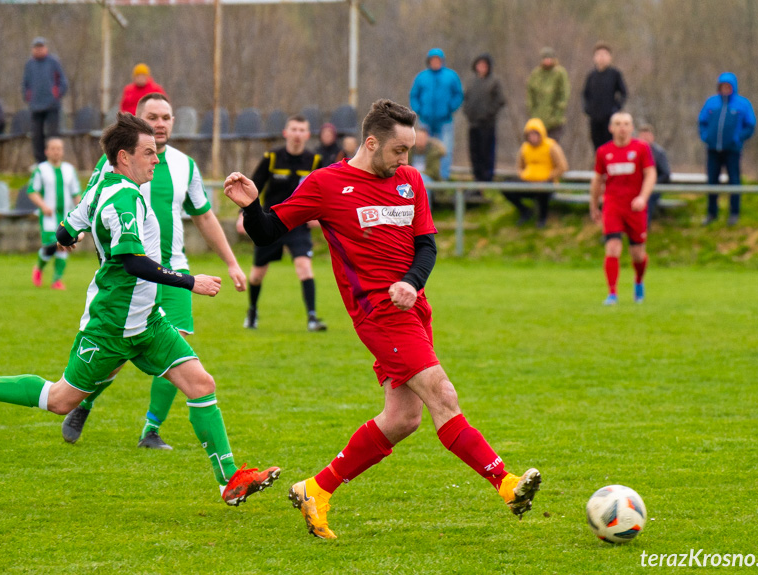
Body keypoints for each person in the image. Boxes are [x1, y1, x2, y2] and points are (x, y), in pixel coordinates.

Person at [224, 99, 541, 540]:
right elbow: (266, 232)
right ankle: (506, 484)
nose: (406, 160)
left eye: (410, 150)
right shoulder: (326, 184)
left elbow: (427, 246)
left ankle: (317, 487)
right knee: (442, 394)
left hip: (414, 310)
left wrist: (412, 282)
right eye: (398, 150)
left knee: (402, 417)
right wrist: (252, 206)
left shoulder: (410, 181)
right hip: (378, 315)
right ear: (371, 143)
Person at [0, 112, 279, 506]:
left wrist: (72, 235)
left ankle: (229, 480)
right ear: (123, 157)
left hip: (147, 323)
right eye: (148, 153)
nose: (155, 159)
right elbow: (133, 262)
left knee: (202, 384)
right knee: (61, 400)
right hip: (110, 326)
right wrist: (190, 281)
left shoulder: (102, 187)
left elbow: (66, 229)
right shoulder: (123, 199)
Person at [60, 92, 247, 450]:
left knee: (178, 347)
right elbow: (89, 203)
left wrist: (231, 262)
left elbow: (204, 216)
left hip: (172, 267)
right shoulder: (114, 163)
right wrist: (72, 232)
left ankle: (151, 429)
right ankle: (83, 402)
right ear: (140, 120)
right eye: (153, 116)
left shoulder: (185, 166)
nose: (160, 123)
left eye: (166, 116)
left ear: (173, 122)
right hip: (129, 274)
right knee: (115, 357)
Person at [237, 114, 326, 332]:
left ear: (307, 135)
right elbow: (254, 186)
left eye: (301, 130)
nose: (297, 134)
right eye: (293, 129)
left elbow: (324, 192)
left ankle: (312, 318)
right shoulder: (272, 157)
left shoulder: (315, 161)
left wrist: (321, 215)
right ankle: (252, 311)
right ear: (286, 133)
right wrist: (243, 214)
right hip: (271, 223)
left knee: (304, 268)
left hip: (298, 225)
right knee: (257, 274)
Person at [589, 112, 656, 305]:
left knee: (638, 254)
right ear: (611, 128)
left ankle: (638, 281)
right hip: (613, 205)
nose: (622, 128)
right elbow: (597, 180)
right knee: (612, 247)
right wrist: (594, 205)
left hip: (635, 207)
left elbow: (650, 174)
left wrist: (643, 197)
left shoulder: (641, 148)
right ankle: (612, 293)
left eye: (626, 124)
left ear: (632, 127)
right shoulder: (603, 152)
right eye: (618, 124)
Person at [698, 72, 756, 226]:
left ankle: (734, 213)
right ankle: (711, 213)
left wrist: (738, 138)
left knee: (734, 181)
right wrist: (706, 137)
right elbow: (702, 121)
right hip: (713, 150)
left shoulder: (742, 104)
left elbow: (750, 125)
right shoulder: (711, 103)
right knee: (712, 181)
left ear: (733, 87)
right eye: (722, 86)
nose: (725, 89)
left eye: (728, 86)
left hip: (732, 151)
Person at [28, 137, 80, 290]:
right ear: (47, 151)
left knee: (64, 245)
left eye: (59, 148)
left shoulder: (69, 170)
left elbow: (76, 193)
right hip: (48, 217)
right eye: (53, 148)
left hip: (65, 216)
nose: (56, 151)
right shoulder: (41, 170)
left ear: (63, 152)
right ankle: (39, 266)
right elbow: (32, 191)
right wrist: (43, 206)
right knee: (51, 244)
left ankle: (57, 280)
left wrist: (82, 210)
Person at [409, 48, 463, 181]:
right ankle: (426, 175)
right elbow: (414, 95)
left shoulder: (451, 76)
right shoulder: (422, 77)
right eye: (433, 60)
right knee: (424, 147)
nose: (435, 62)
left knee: (446, 149)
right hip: (426, 121)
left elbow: (458, 94)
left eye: (438, 60)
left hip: (445, 120)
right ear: (429, 61)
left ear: (442, 61)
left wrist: (450, 108)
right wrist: (419, 109)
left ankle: (443, 176)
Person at [503, 118, 568, 228]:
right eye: (530, 134)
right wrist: (523, 175)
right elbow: (519, 167)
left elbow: (562, 166)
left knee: (542, 190)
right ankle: (525, 211)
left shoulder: (551, 146)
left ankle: (542, 218)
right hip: (528, 181)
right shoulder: (525, 148)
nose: (532, 137)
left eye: (535, 134)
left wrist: (548, 176)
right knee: (506, 184)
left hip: (545, 183)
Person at [22, 37, 68, 163]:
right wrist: (28, 98)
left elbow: (63, 82)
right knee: (36, 136)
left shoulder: (53, 62)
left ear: (45, 48)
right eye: (36, 47)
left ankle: (55, 161)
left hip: (52, 106)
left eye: (41, 47)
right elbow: (25, 84)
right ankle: (40, 163)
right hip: (35, 106)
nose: (39, 49)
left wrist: (56, 95)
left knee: (53, 135)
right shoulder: (29, 64)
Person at [463, 53, 506, 183]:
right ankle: (477, 176)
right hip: (473, 123)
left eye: (484, 65)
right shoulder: (471, 82)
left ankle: (487, 178)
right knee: (474, 151)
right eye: (479, 65)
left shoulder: (494, 81)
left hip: (487, 124)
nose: (481, 67)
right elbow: (466, 99)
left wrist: (488, 113)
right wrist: (468, 112)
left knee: (486, 152)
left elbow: (500, 100)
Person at [582, 42, 628, 151]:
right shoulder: (591, 75)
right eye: (598, 54)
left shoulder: (614, 74)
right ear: (594, 57)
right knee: (597, 146)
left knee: (610, 145)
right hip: (594, 117)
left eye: (604, 54)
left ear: (609, 57)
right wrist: (587, 109)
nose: (601, 57)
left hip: (609, 118)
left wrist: (616, 109)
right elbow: (585, 94)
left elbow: (624, 93)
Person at [526, 47, 570, 141]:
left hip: (555, 121)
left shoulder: (559, 73)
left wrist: (557, 115)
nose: (547, 61)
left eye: (550, 58)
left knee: (552, 148)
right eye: (545, 58)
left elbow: (564, 95)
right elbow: (530, 94)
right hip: (538, 120)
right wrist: (533, 113)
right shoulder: (536, 74)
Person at [637, 123, 671, 222]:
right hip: (636, 186)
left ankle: (644, 225)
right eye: (643, 136)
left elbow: (666, 174)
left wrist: (650, 183)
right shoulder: (634, 152)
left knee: (647, 197)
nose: (645, 139)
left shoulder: (658, 153)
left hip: (654, 187)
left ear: (652, 137)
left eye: (647, 136)